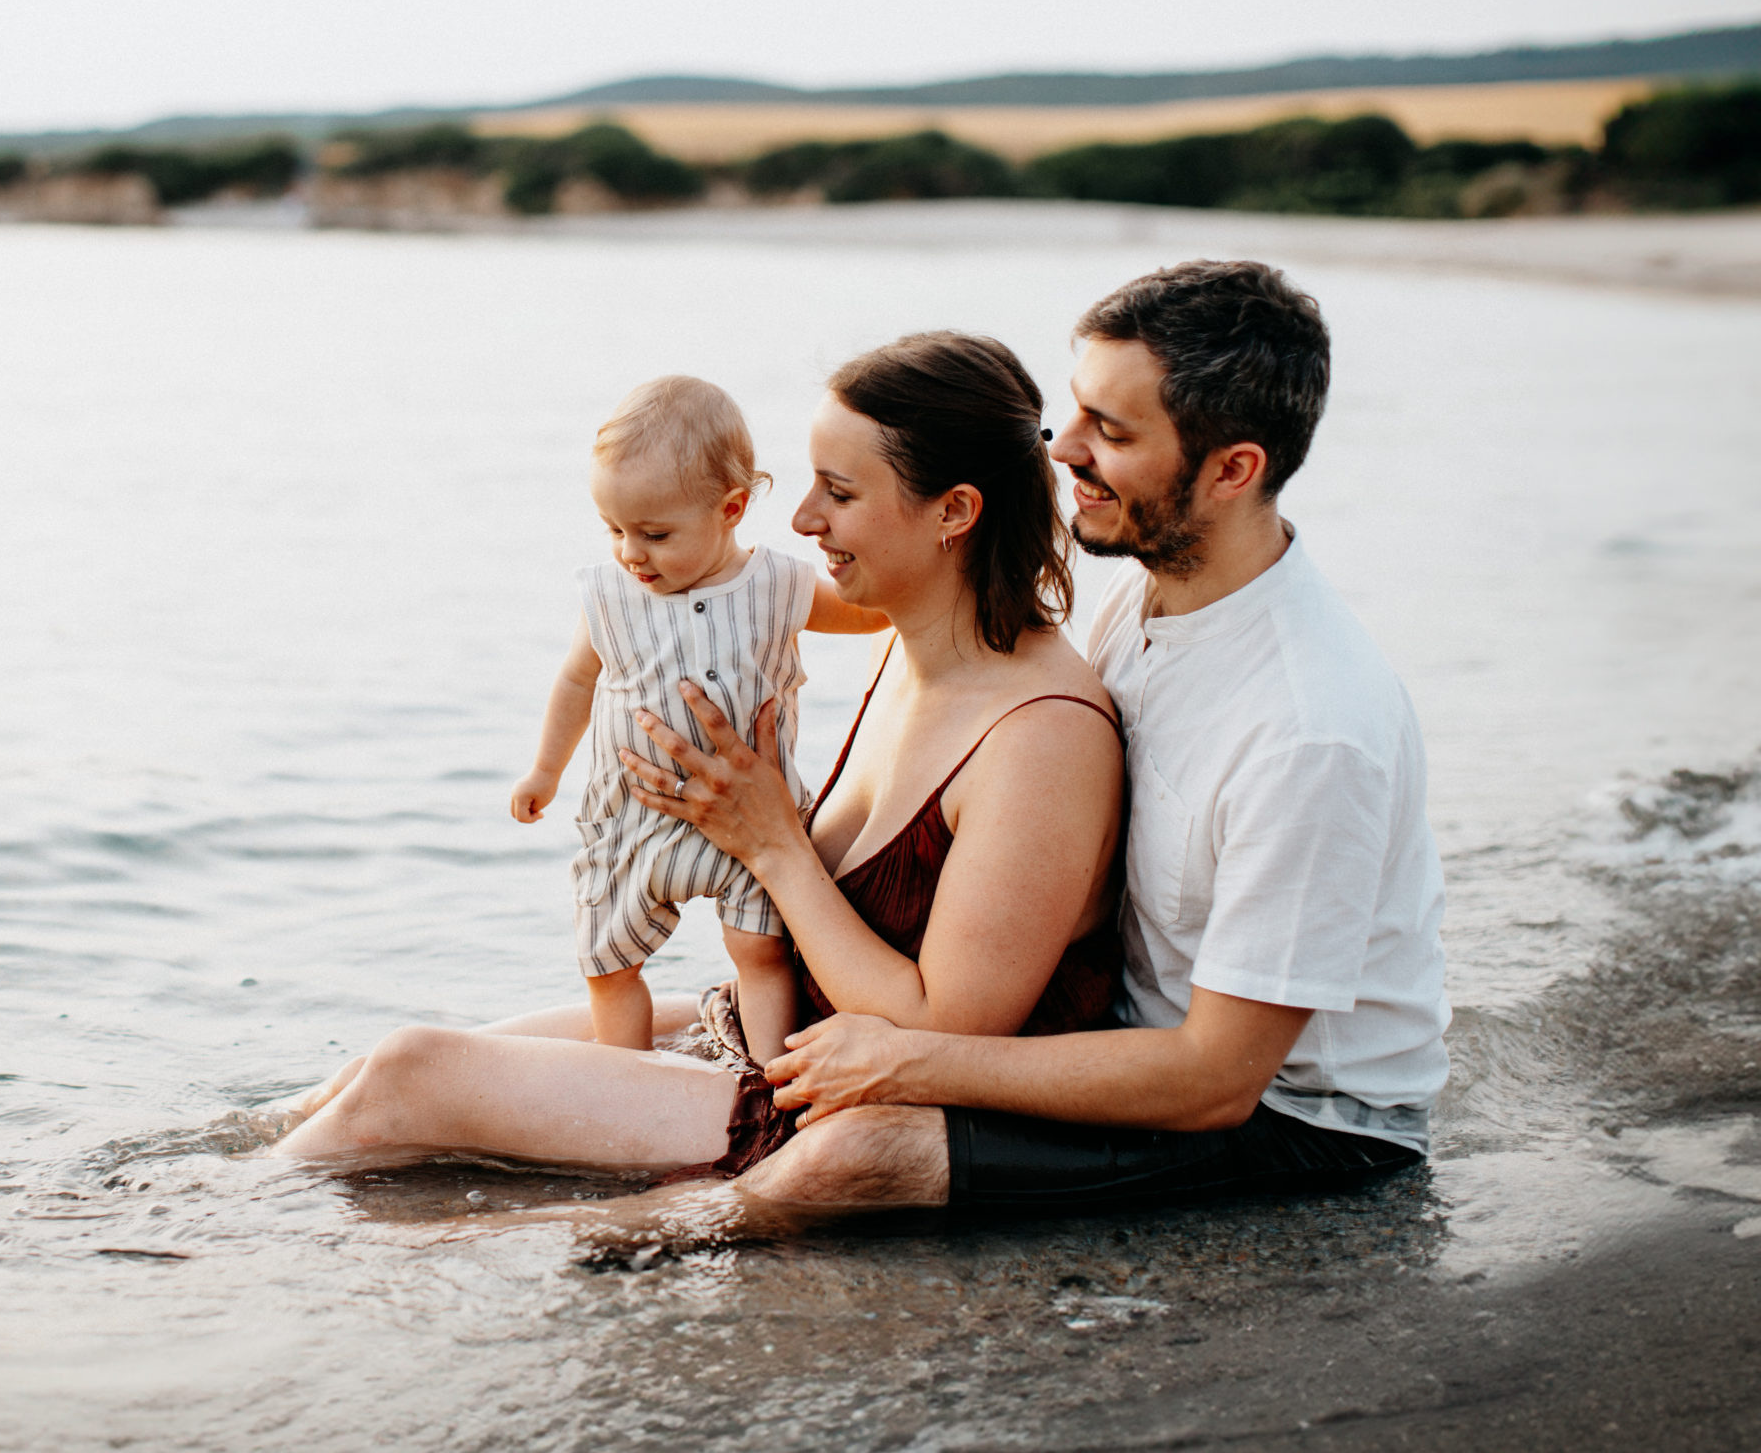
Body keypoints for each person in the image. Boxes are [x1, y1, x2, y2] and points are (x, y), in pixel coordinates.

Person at [646, 259, 1448, 1216]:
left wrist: (912, 1058)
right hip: (1113, 1040)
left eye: (1112, 432)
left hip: (1297, 1121)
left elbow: (1217, 1079)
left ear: (1233, 471)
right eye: (1075, 412)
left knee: (856, 1154)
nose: (1060, 448)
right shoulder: (1135, 605)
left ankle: (578, 1252)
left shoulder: (1309, 730)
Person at [274, 333, 1126, 1175]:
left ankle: (225, 1237)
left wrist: (773, 843)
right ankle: (221, 1199)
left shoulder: (1042, 738)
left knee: (410, 1073)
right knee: (355, 1079)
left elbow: (945, 1032)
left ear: (954, 512)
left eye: (838, 492)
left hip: (827, 1106)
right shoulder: (905, 649)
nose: (802, 519)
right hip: (765, 1038)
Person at [508, 375, 886, 1060]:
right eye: (615, 529)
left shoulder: (777, 585)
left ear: (731, 508)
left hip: (754, 819)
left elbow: (873, 611)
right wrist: (545, 770)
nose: (631, 552)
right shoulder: (610, 596)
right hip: (633, 817)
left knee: (760, 950)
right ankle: (624, 1072)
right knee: (609, 963)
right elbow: (576, 680)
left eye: (655, 534)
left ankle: (769, 1075)